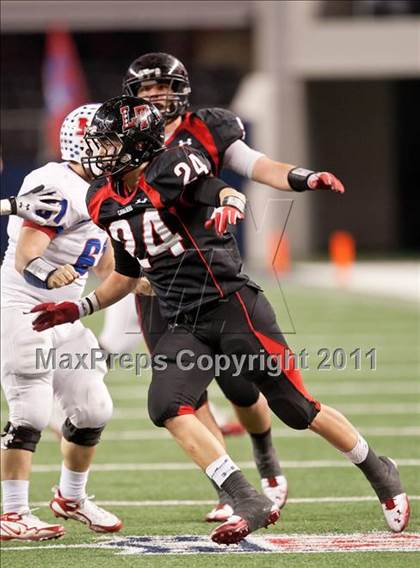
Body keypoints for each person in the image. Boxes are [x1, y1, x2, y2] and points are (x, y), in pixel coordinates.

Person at [31, 96, 410, 545]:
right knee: (167, 407)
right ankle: (245, 498)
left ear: (135, 143)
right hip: (182, 322)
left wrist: (231, 200)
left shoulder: (172, 167)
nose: (101, 151)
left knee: (297, 409)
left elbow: (214, 188)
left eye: (111, 141)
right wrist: (79, 307)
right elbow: (129, 273)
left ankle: (378, 469)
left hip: (232, 306)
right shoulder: (102, 198)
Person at [0, 104, 122, 542]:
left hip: (67, 311)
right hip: (26, 303)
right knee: (30, 408)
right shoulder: (55, 182)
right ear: (81, 142)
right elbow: (25, 255)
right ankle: (11, 512)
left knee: (94, 408)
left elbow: (104, 257)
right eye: (106, 141)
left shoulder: (105, 188)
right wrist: (49, 273)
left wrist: (142, 280)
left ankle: (71, 498)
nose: (114, 149)